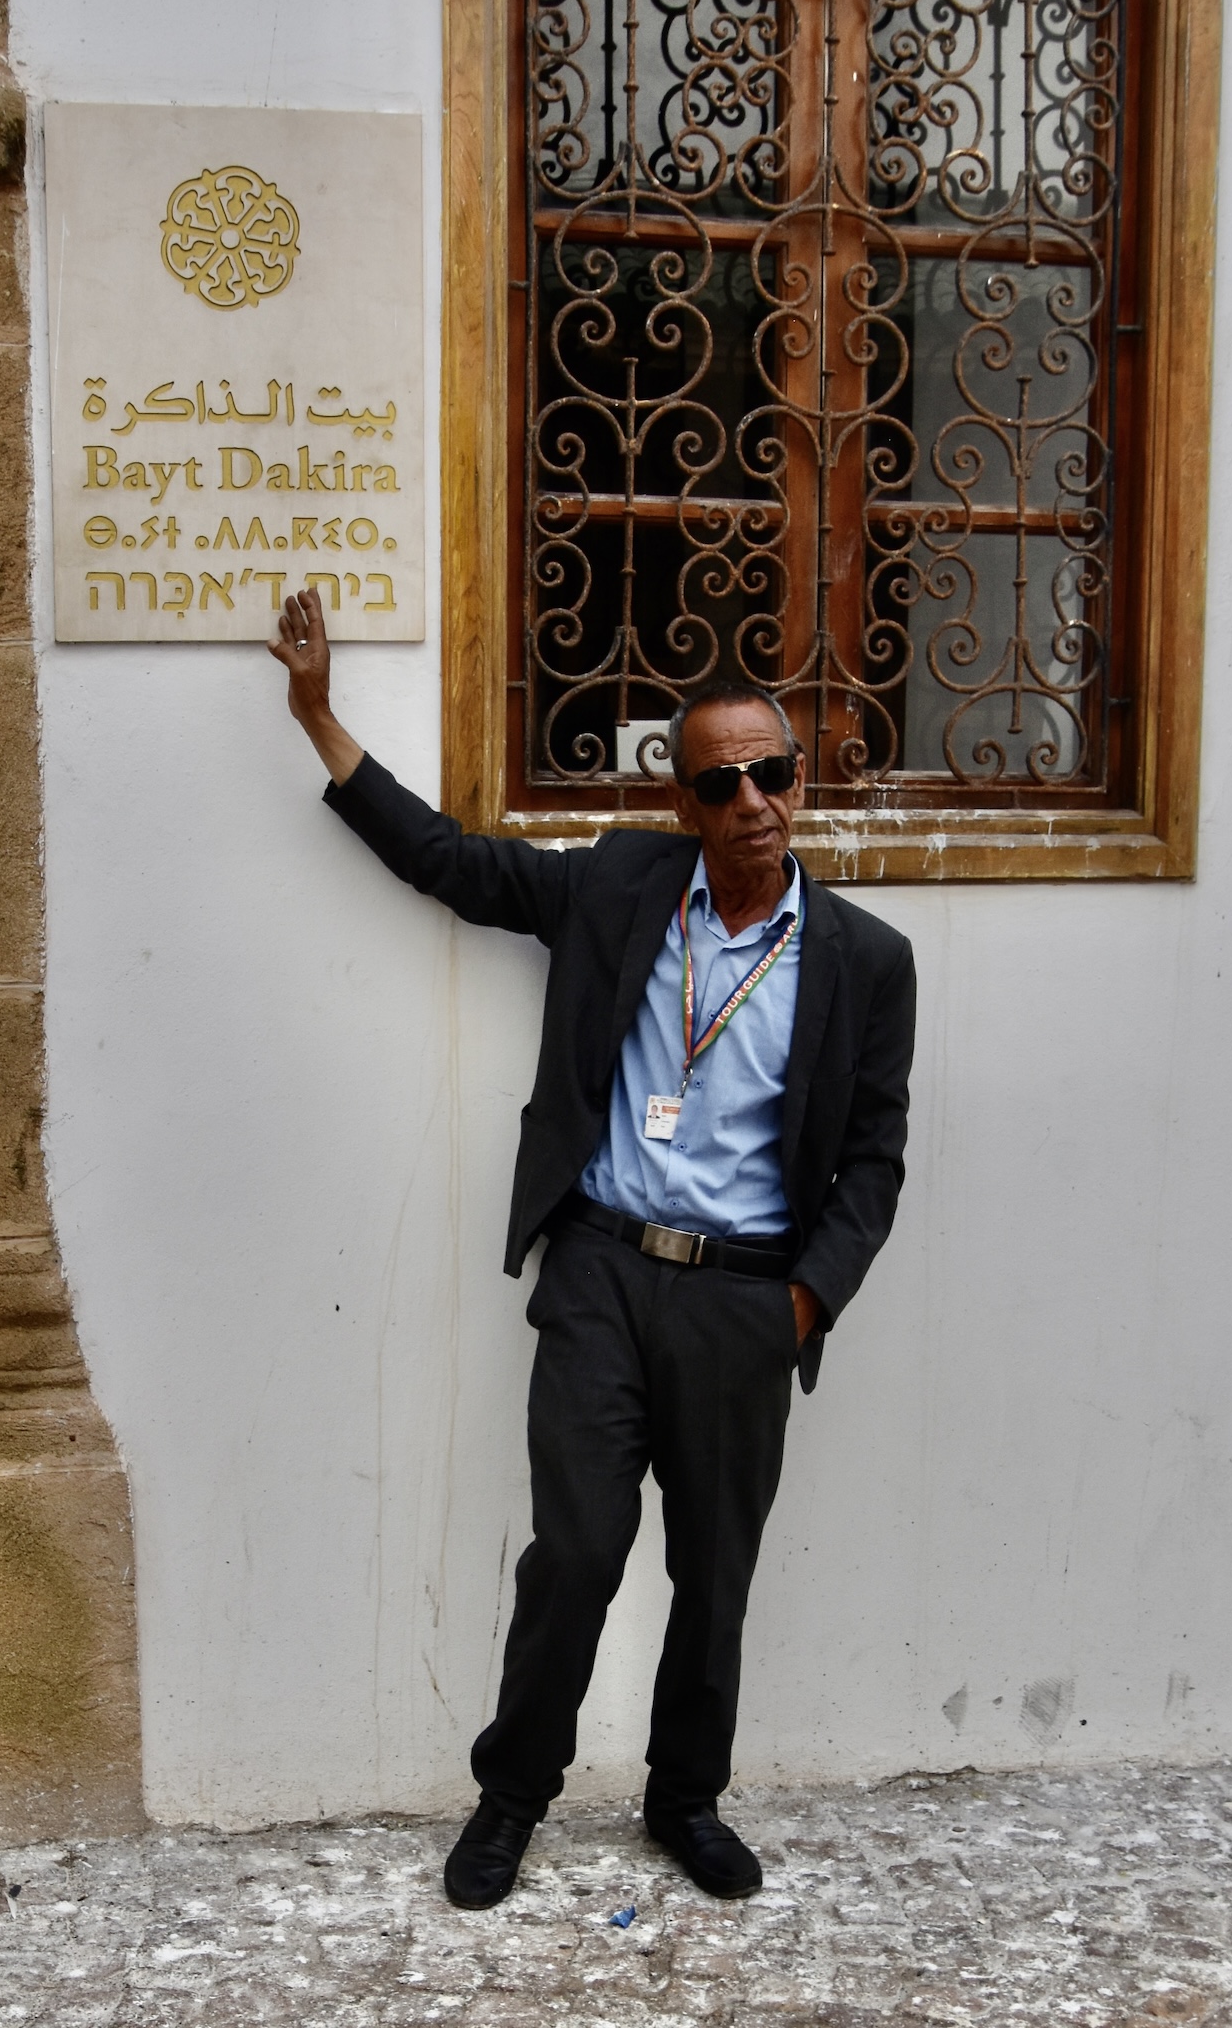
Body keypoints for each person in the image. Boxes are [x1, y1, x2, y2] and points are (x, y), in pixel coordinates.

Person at [268, 586, 918, 1910]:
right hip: (604, 1278)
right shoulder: (627, 887)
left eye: (772, 774)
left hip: (744, 1302)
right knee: (574, 1549)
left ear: (800, 785)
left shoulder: (864, 960)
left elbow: (873, 1163)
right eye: (722, 781)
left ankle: (686, 1802)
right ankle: (512, 1798)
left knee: (714, 1572)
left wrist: (804, 1303)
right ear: (686, 801)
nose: (752, 801)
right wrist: (321, 721)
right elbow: (461, 865)